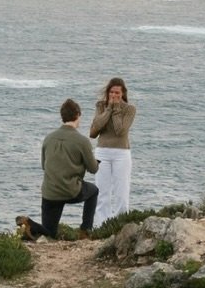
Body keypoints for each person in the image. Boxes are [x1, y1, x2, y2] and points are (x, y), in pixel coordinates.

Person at [17, 98, 100, 241]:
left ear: (62, 116)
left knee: (49, 233)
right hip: (71, 190)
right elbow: (93, 169)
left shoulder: (49, 138)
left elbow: (44, 166)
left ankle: (29, 223)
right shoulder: (82, 141)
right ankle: (85, 231)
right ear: (78, 115)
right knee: (94, 191)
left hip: (50, 192)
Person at [89, 76, 136, 227]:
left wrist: (115, 110)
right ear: (108, 92)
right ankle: (103, 225)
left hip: (121, 153)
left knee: (121, 191)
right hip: (102, 152)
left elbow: (120, 130)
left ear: (123, 94)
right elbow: (97, 124)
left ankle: (120, 224)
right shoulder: (101, 106)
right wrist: (109, 108)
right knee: (102, 191)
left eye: (117, 93)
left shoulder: (129, 109)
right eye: (111, 92)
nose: (114, 95)